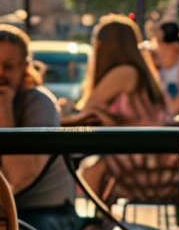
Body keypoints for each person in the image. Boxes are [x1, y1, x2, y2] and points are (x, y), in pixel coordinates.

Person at [0, 24, 85, 230]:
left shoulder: (39, 104)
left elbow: (17, 180)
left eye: (8, 66)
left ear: (24, 68)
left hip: (46, 213)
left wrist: (2, 110)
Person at [62, 15, 172, 194]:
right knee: (92, 169)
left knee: (89, 172)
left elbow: (89, 108)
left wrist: (101, 116)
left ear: (104, 45)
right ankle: (97, 221)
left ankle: (90, 221)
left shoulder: (124, 72)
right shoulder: (136, 71)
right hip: (151, 153)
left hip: (144, 160)